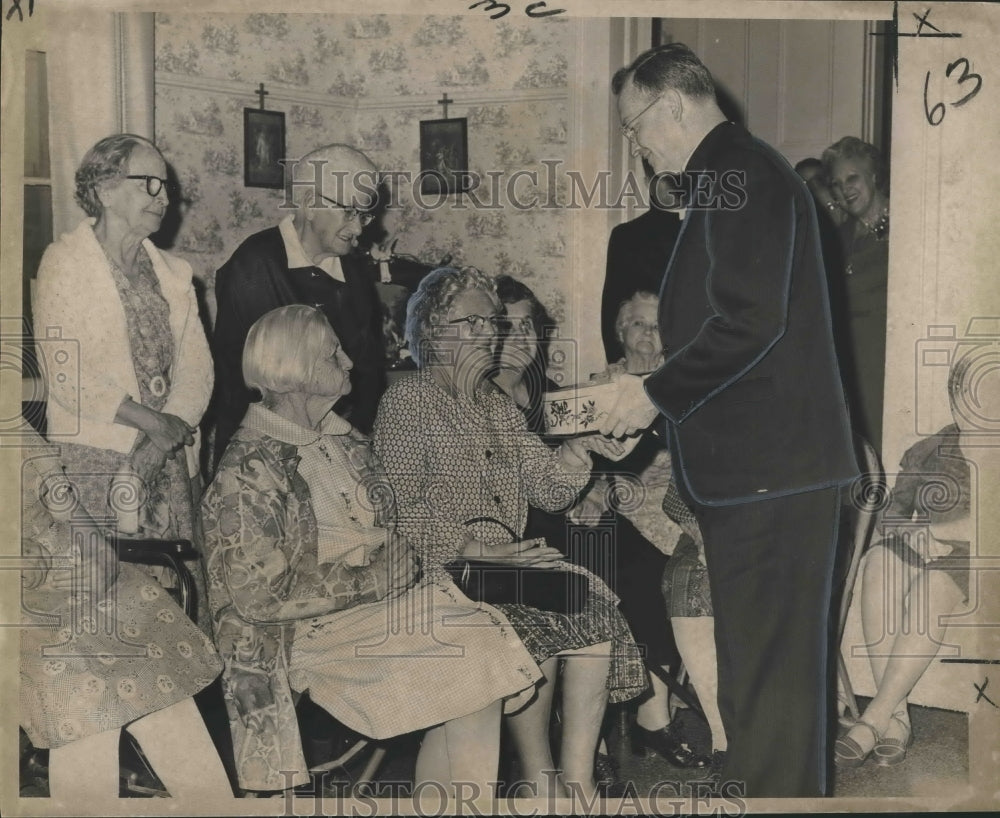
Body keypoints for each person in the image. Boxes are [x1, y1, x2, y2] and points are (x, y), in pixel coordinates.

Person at [607, 44, 858, 797]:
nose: (637, 144)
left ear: (671, 106)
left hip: (771, 479)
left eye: (634, 126)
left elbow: (750, 322)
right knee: (757, 678)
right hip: (763, 476)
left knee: (773, 686)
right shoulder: (734, 174)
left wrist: (649, 392)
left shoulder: (739, 173)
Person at [201, 305, 542, 795]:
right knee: (469, 660)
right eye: (332, 353)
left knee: (481, 660)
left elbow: (396, 527)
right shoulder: (247, 470)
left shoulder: (344, 441)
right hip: (314, 635)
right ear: (294, 371)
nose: (349, 361)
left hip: (390, 610)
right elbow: (256, 595)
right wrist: (371, 580)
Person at [373, 267, 647, 799]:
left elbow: (548, 490)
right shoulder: (408, 403)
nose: (489, 332)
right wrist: (482, 549)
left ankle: (577, 781)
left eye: (492, 321)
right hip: (439, 569)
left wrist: (579, 447)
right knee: (548, 606)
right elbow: (400, 514)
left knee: (589, 607)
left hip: (501, 565)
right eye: (471, 320)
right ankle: (541, 782)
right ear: (433, 329)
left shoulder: (495, 404)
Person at [493, 281, 705, 783]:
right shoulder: (485, 395)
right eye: (509, 326)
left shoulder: (544, 391)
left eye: (529, 325)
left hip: (570, 513)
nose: (522, 337)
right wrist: (593, 491)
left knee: (650, 571)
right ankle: (619, 726)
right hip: (525, 529)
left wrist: (589, 491)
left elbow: (574, 459)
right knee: (609, 581)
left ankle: (626, 718)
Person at [33, 133, 213, 627]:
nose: (163, 197)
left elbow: (198, 367)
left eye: (167, 187)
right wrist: (150, 423)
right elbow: (65, 371)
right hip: (96, 459)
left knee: (180, 607)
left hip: (170, 457)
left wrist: (164, 435)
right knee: (112, 609)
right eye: (150, 183)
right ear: (106, 190)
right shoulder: (65, 265)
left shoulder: (174, 273)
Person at [19, 430, 231, 804]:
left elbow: (59, 497)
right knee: (82, 696)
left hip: (61, 563)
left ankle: (213, 807)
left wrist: (99, 553)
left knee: (152, 674)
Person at [834, 356, 983, 768]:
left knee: (932, 585)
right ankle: (897, 721)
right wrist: (910, 534)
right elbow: (894, 516)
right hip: (926, 544)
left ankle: (875, 715)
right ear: (955, 400)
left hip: (981, 559)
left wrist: (939, 534)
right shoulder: (931, 449)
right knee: (880, 561)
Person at [212, 144, 385, 466]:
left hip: (339, 446)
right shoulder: (254, 267)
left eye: (365, 215)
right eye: (349, 212)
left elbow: (368, 368)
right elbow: (269, 389)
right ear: (309, 204)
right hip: (269, 454)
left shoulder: (354, 268)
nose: (360, 228)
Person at [822, 137, 891, 454]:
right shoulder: (839, 238)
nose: (844, 190)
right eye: (836, 184)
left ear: (874, 176)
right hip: (851, 363)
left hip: (889, 359)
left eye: (852, 178)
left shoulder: (910, 227)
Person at [601, 162, 683, 364]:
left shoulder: (710, 231)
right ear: (648, 182)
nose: (675, 184)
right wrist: (619, 363)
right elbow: (612, 306)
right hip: (642, 358)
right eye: (665, 177)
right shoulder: (627, 236)